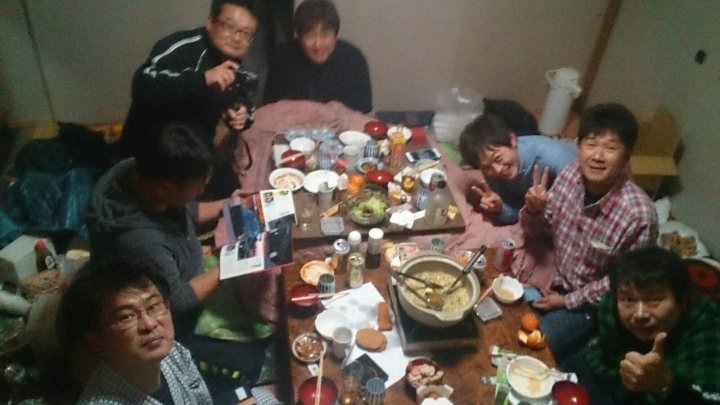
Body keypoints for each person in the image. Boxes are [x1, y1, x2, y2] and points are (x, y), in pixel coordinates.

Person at [86, 122, 269, 398]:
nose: (202, 190)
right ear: (164, 188)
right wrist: (229, 263)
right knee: (258, 344)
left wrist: (227, 205)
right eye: (199, 187)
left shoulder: (137, 171)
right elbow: (179, 301)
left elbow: (185, 207)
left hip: (184, 264)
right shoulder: (139, 241)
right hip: (177, 317)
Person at [520, 102, 659, 362]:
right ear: (579, 147)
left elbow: (623, 285)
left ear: (626, 155)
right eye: (591, 144)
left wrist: (567, 301)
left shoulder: (639, 215)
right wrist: (533, 210)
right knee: (507, 315)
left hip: (591, 306)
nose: (597, 156)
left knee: (533, 345)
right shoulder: (569, 176)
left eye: (610, 148)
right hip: (554, 278)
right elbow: (539, 230)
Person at [119, 0, 259, 199]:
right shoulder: (182, 47)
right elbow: (142, 85)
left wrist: (241, 116)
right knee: (194, 208)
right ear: (210, 22)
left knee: (238, 193)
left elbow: (241, 101)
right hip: (151, 155)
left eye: (245, 33)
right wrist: (203, 78)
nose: (237, 38)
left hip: (194, 150)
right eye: (229, 27)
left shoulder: (233, 64)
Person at [575, 247, 720, 404]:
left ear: (682, 302)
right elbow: (605, 356)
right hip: (608, 380)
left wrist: (666, 385)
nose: (640, 314)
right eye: (629, 299)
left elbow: (711, 396)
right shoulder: (610, 305)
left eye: (654, 299)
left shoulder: (708, 327)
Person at [59, 260, 213, 404]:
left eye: (153, 306)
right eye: (126, 316)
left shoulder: (175, 353)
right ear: (96, 342)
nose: (150, 324)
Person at [459, 113, 576, 224]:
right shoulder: (490, 171)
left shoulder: (556, 158)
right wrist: (500, 208)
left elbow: (579, 205)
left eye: (498, 158)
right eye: (486, 167)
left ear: (512, 140)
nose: (497, 170)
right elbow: (516, 211)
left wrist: (547, 204)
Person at [263, 0, 372, 113]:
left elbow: (361, 114)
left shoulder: (354, 61)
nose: (318, 45)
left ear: (335, 35)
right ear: (299, 37)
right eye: (310, 36)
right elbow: (270, 110)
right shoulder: (283, 59)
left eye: (325, 35)